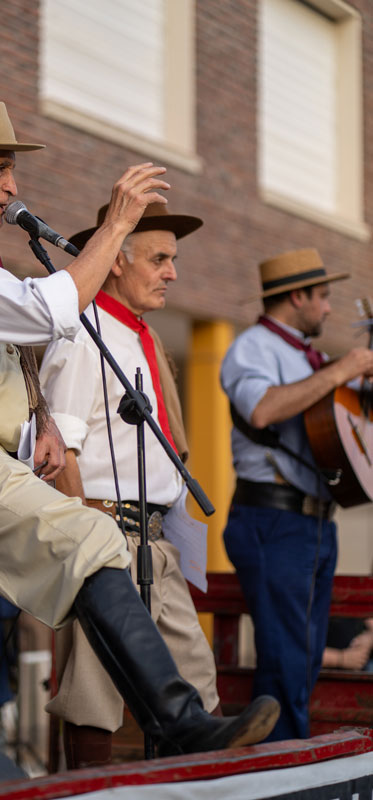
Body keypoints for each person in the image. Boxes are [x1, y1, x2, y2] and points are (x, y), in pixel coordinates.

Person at [0, 100, 280, 755]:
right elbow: (39, 311)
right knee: (91, 536)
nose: (12, 186)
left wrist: (43, 418)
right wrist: (116, 225)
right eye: (0, 168)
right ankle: (177, 722)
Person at [40, 202, 222, 769]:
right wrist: (85, 540)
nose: (172, 272)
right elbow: (59, 446)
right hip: (105, 535)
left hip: (157, 540)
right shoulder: (82, 332)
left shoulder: (144, 339)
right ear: (116, 261)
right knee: (93, 692)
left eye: (173, 259)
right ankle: (85, 791)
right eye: (159, 259)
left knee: (198, 684)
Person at [220, 248, 373, 742]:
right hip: (273, 519)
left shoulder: (311, 358)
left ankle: (285, 761)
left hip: (312, 522)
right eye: (323, 296)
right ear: (298, 296)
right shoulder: (253, 348)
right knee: (286, 659)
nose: (328, 308)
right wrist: (340, 371)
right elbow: (262, 410)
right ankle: (283, 768)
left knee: (302, 660)